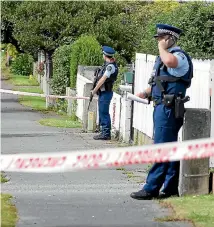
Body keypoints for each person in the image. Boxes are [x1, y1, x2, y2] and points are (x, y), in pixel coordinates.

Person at [130, 24, 193, 200]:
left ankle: (151, 188)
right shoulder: (164, 57)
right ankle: (170, 186)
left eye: (161, 38)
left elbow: (169, 62)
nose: (158, 42)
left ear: (170, 38)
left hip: (169, 108)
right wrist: (145, 92)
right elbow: (162, 81)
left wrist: (161, 48)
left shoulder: (178, 57)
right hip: (162, 106)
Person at [91, 46, 119, 140]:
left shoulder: (110, 67)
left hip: (106, 92)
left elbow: (103, 79)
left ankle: (106, 133)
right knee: (102, 112)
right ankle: (103, 132)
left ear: (105, 55)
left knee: (104, 113)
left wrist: (94, 90)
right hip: (103, 92)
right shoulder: (107, 65)